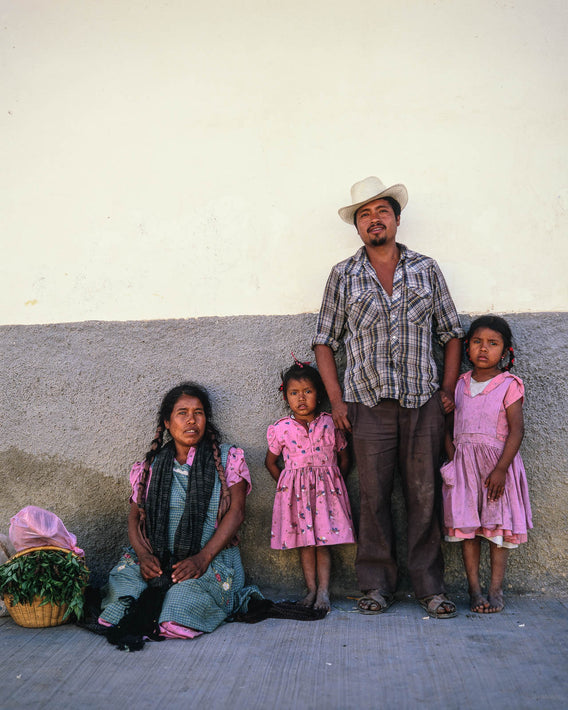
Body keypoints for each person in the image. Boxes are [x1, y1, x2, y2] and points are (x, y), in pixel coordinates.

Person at [313, 176, 464, 618]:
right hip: (366, 404)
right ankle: (376, 586)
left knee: (424, 495)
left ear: (396, 219)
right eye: (364, 215)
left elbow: (452, 333)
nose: (374, 220)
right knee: (374, 498)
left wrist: (448, 391)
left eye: (382, 211)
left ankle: (429, 588)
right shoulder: (343, 275)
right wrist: (337, 402)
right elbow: (324, 341)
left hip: (423, 404)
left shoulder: (426, 268)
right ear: (357, 227)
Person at [99, 382, 262, 640]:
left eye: (198, 413)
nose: (191, 420)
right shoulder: (150, 467)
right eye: (182, 413)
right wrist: (143, 556)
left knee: (179, 610)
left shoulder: (229, 458)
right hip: (157, 556)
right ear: (166, 422)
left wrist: (203, 558)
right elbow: (133, 517)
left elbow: (237, 512)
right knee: (121, 598)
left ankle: (177, 606)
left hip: (210, 558)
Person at [442, 315, 532, 613]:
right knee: (469, 531)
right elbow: (449, 426)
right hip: (466, 470)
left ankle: (495, 590)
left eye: (493, 344)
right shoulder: (460, 385)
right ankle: (474, 590)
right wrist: (454, 459)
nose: (484, 349)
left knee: (495, 532)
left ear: (505, 352)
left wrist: (501, 469)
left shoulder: (509, 385)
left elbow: (517, 429)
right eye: (478, 342)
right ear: (467, 348)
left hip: (496, 470)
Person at [265, 359, 355, 612]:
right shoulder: (281, 428)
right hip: (296, 497)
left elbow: (345, 457)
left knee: (323, 543)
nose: (301, 398)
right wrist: (286, 488)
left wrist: (336, 483)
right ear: (286, 397)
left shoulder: (329, 423)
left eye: (308, 391)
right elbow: (270, 462)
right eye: (294, 393)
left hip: (327, 495)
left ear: (320, 394)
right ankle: (311, 590)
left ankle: (324, 592)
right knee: (305, 544)